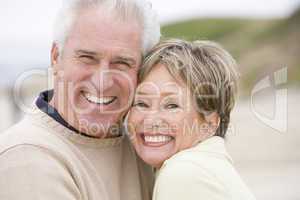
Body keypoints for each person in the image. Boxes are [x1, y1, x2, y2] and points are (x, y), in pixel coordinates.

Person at [0, 0, 160, 199]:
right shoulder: (26, 156)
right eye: (87, 58)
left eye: (122, 63)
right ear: (56, 57)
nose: (102, 82)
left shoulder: (147, 143)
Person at [127, 39, 257, 200]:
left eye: (172, 105)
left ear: (209, 124)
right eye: (141, 103)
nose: (150, 120)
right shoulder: (207, 165)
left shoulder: (183, 172)